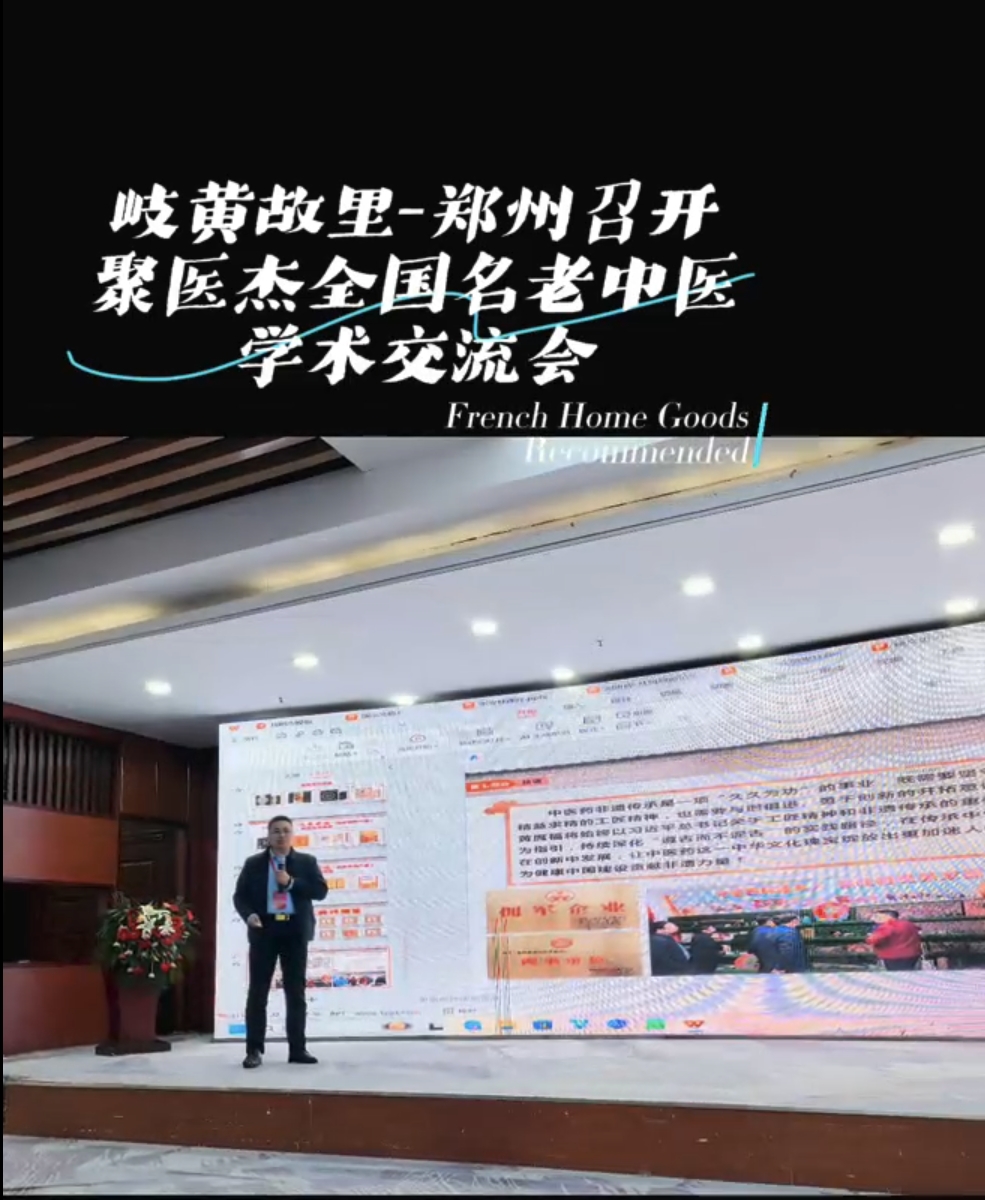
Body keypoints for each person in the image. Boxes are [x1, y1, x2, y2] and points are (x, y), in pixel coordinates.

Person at [233, 814, 329, 1069]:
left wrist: (292, 883)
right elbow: (239, 896)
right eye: (276, 831)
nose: (281, 835)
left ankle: (297, 1049)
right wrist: (249, 915)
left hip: (294, 932)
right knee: (258, 992)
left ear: (292, 834)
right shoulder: (253, 863)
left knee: (295, 992)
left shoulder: (306, 861)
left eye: (286, 830)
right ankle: (254, 1050)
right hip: (264, 931)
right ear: (268, 835)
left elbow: (320, 891)